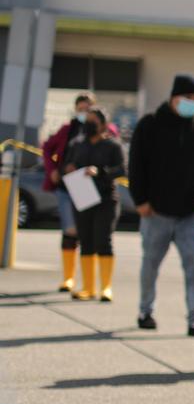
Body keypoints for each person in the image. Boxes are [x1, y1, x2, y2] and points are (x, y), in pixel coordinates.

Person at [128, 74, 194, 336]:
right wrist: (141, 200)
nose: (192, 103)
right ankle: (146, 311)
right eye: (187, 98)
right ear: (173, 98)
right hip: (156, 211)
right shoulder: (150, 125)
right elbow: (137, 164)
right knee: (151, 263)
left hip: (192, 212)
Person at [65, 108, 126, 302]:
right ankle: (88, 287)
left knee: (103, 239)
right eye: (87, 121)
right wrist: (69, 168)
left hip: (106, 198)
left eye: (93, 121)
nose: (89, 125)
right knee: (86, 240)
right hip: (82, 195)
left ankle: (106, 287)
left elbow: (121, 170)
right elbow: (66, 163)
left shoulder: (112, 146)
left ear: (103, 124)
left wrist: (99, 171)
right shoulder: (78, 144)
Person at [41, 92, 93, 293]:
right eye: (80, 109)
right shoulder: (67, 129)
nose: (83, 113)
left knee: (87, 232)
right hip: (67, 183)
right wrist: (52, 170)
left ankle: (89, 282)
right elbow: (47, 148)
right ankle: (68, 278)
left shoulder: (101, 129)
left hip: (87, 184)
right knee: (69, 229)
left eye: (87, 109)